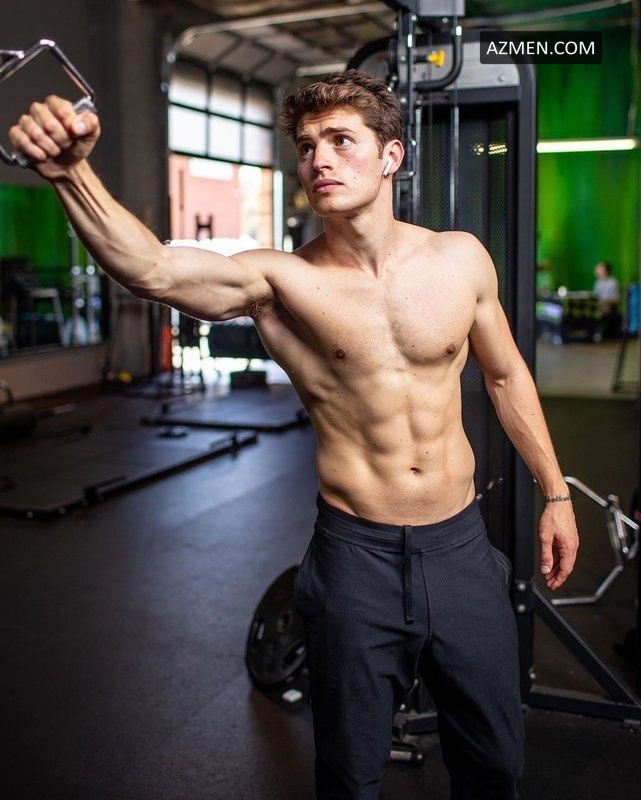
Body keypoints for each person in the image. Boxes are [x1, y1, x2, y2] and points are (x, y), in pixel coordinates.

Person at [9, 69, 578, 800]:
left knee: (495, 762)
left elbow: (505, 377)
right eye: (307, 147)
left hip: (459, 547)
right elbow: (152, 269)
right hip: (356, 558)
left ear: (392, 156)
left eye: (341, 141)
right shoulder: (280, 283)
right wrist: (72, 175)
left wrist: (555, 493)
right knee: (349, 774)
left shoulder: (460, 258)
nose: (319, 160)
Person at [593, 260, 621, 338]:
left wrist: (601, 304)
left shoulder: (613, 282)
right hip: (599, 309)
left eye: (599, 269)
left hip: (609, 311)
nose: (597, 271)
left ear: (606, 271)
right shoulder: (598, 282)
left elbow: (615, 300)